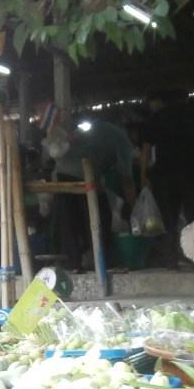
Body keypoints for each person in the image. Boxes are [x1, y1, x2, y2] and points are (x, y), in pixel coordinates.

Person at [51, 114, 137, 272]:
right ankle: (105, 263)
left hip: (62, 171)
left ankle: (73, 265)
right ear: (132, 133)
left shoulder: (91, 127)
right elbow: (126, 180)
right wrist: (134, 209)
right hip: (85, 173)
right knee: (100, 215)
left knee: (68, 219)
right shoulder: (123, 139)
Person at [140, 89, 194, 269]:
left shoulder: (156, 117)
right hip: (191, 173)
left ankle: (171, 260)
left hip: (164, 176)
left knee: (168, 219)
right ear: (184, 98)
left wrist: (143, 176)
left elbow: (146, 149)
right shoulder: (192, 114)